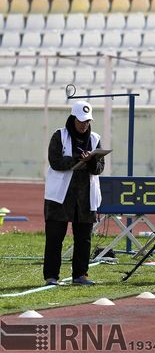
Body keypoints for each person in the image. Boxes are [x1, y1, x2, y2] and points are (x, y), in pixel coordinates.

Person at [43, 101, 105, 286]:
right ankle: (51, 276)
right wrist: (77, 160)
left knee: (84, 239)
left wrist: (91, 162)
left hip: (85, 197)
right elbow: (55, 161)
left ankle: (80, 275)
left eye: (87, 121)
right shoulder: (59, 136)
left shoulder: (95, 139)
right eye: (81, 121)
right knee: (55, 238)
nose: (84, 124)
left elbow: (100, 167)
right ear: (73, 118)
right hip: (60, 197)